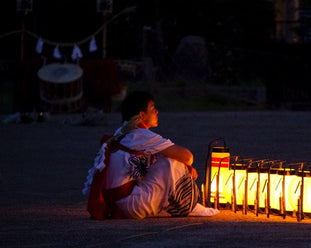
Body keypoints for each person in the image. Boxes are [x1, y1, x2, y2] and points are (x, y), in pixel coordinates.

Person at [82, 90, 219, 219]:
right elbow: (187, 157)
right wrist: (186, 166)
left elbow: (138, 168)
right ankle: (187, 206)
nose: (157, 112)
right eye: (153, 108)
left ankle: (168, 205)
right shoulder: (139, 135)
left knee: (158, 159)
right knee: (171, 163)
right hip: (129, 205)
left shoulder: (120, 133)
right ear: (142, 115)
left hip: (114, 203)